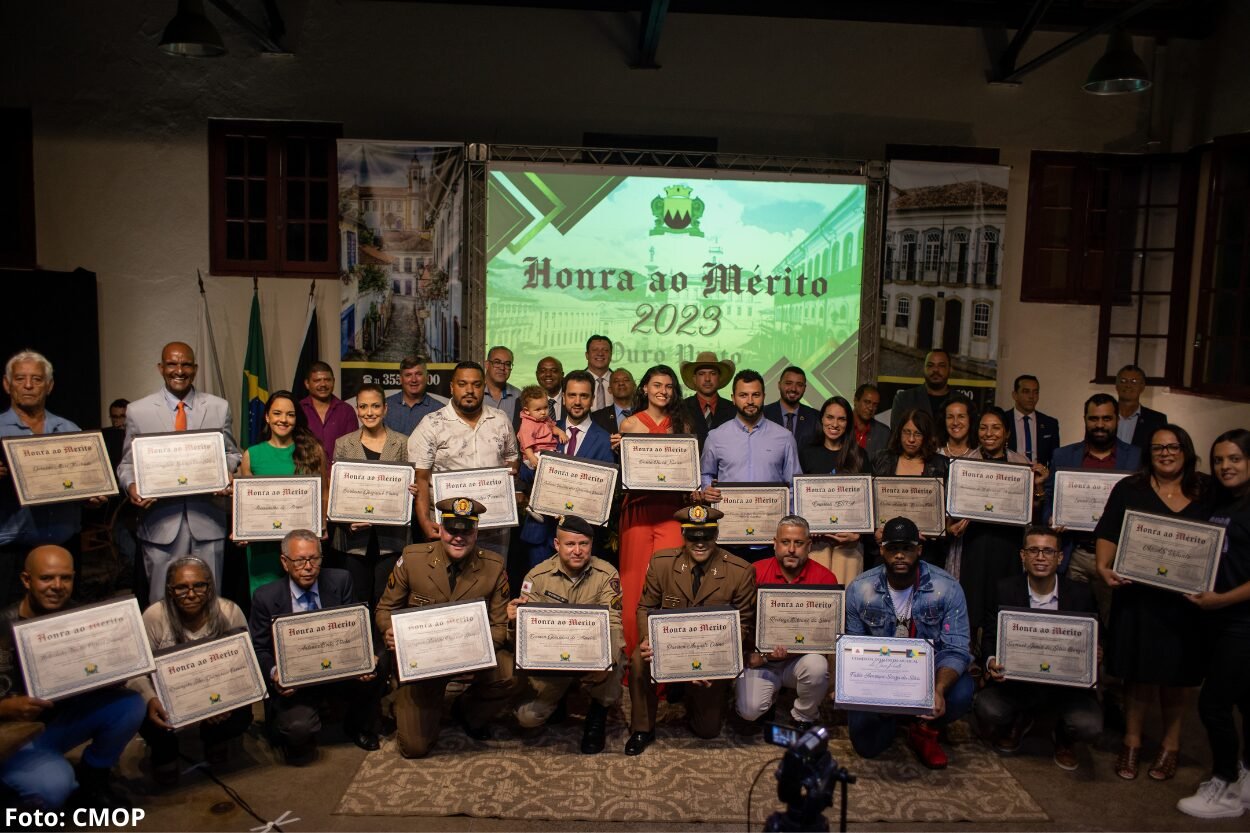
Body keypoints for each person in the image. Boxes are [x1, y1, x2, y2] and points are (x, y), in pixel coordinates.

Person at [1096, 424, 1211, 782]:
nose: (1166, 453)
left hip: (1187, 603)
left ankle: (1171, 745)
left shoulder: (1206, 490)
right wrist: (1103, 567)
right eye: (1159, 448)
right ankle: (1131, 742)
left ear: (1186, 450)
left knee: (1178, 676)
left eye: (1173, 446)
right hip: (1139, 599)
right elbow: (1108, 531)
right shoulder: (1130, 488)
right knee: (1139, 673)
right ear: (1149, 454)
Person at [0, 546, 144, 808]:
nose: (57, 586)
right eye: (46, 578)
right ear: (26, 580)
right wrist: (5, 707)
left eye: (65, 578)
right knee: (55, 788)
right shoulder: (2, 625)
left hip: (57, 723)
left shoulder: (78, 616)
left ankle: (94, 777)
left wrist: (114, 672)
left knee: (130, 704)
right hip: (12, 735)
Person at [376, 498, 515, 758]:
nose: (458, 538)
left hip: (470, 658)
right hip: (422, 666)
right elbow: (385, 610)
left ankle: (466, 709)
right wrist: (389, 630)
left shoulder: (494, 567)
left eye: (466, 531)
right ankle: (404, 696)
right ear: (441, 528)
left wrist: (470, 659)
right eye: (452, 530)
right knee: (414, 748)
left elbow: (499, 628)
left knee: (509, 672)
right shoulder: (413, 559)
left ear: (476, 532)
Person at [844, 517, 974, 769]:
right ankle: (895, 715)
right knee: (866, 747)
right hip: (880, 675)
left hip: (927, 674)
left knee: (961, 692)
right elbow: (853, 648)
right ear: (882, 549)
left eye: (907, 548)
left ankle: (923, 727)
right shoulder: (860, 590)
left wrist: (937, 690)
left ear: (919, 549)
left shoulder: (946, 588)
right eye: (893, 549)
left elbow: (956, 648)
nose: (900, 556)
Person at [117, 341, 242, 602]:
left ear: (195, 368)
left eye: (186, 364)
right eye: (172, 364)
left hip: (207, 521)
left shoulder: (219, 407)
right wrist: (131, 486)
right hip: (160, 524)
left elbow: (231, 452)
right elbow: (127, 464)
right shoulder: (138, 411)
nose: (179, 370)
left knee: (210, 599)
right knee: (162, 603)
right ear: (161, 368)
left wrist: (225, 472)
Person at [626, 505, 756, 755]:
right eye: (693, 537)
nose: (700, 543)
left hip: (710, 657)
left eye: (706, 536)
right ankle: (642, 728)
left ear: (716, 536)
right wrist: (646, 639)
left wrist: (713, 665)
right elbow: (646, 606)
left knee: (707, 730)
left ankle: (688, 691)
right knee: (638, 659)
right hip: (669, 649)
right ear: (683, 535)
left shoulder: (740, 572)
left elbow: (742, 626)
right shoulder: (662, 563)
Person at [248, 530, 381, 764]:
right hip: (295, 684)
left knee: (380, 660)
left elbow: (355, 630)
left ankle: (358, 724)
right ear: (284, 562)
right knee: (298, 731)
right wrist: (274, 673)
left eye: (314, 559)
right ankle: (304, 725)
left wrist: (365, 657)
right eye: (299, 560)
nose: (308, 566)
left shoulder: (340, 581)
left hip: (338, 672)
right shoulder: (265, 597)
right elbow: (259, 650)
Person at [976, 526, 1102, 770]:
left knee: (1089, 725)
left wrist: (1097, 650)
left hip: (1067, 688)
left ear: (1060, 557)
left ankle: (1064, 737)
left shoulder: (1081, 594)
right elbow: (990, 634)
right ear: (1023, 556)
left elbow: (1099, 634)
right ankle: (1019, 720)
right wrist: (991, 660)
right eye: (1033, 550)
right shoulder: (1005, 590)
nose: (1041, 557)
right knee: (987, 707)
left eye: (1048, 551)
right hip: (1017, 684)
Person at [1177, 429, 1250, 818]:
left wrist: (1221, 599)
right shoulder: (1223, 502)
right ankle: (1246, 778)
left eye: (1235, 459)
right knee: (1245, 700)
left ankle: (1224, 785)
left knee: (1214, 704)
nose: (1226, 466)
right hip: (1219, 619)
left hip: (1242, 621)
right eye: (1219, 460)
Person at [131, 556, 251, 786]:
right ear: (170, 589)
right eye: (181, 587)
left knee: (241, 712)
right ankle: (165, 751)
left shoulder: (229, 611)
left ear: (209, 586)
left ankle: (215, 738)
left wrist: (228, 698)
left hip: (216, 691)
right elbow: (136, 671)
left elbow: (244, 663)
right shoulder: (154, 617)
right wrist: (150, 698)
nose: (191, 593)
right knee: (139, 706)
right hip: (169, 698)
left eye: (199, 585)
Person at [509, 515, 624, 754]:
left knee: (616, 652)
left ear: (591, 545)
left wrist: (607, 662)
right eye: (570, 544)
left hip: (591, 656)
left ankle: (598, 711)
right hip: (552, 662)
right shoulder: (536, 577)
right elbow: (528, 636)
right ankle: (560, 696)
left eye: (583, 544)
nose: (577, 551)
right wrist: (515, 621)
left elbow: (613, 623)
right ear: (556, 545)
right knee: (527, 718)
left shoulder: (606, 574)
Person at [0, 351, 105, 602]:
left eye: (36, 379)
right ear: (7, 384)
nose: (28, 385)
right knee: (8, 627)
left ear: (49, 386)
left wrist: (91, 497)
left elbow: (86, 483)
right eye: (20, 378)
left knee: (62, 625)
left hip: (64, 545)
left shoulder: (70, 430)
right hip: (11, 550)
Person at [614, 365, 692, 658]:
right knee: (633, 582)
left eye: (669, 387)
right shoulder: (630, 425)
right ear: (644, 388)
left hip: (671, 510)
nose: (663, 391)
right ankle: (635, 656)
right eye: (657, 385)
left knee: (671, 580)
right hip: (638, 508)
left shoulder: (681, 426)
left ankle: (669, 656)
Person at [953, 406, 1048, 643]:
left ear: (1006, 433)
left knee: (1004, 602)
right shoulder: (964, 463)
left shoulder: (1021, 463)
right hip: (974, 544)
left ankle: (998, 656)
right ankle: (972, 660)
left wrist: (1037, 488)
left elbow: (1032, 514)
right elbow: (952, 510)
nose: (989, 433)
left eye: (996, 428)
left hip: (1008, 545)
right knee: (971, 604)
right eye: (984, 428)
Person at [1044, 393, 1141, 622]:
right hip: (1074, 551)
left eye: (1106, 419)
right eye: (1093, 419)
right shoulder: (1064, 455)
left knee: (1112, 621)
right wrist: (1050, 517)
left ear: (1117, 420)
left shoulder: (1136, 457)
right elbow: (1049, 496)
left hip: (1114, 557)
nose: (1100, 425)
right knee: (1071, 620)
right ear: (1085, 419)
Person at [735, 516, 837, 732]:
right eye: (785, 542)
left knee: (817, 667)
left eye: (798, 543)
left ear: (808, 546)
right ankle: (768, 702)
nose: (791, 549)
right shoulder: (754, 571)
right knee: (749, 711)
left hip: (799, 661)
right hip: (760, 659)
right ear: (774, 543)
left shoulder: (825, 578)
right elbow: (740, 621)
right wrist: (756, 656)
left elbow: (824, 637)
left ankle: (803, 716)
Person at [408, 361, 520, 558]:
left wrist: (509, 474)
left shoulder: (501, 420)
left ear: (483, 387)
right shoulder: (431, 424)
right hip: (450, 528)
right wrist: (425, 522)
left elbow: (511, 458)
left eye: (477, 384)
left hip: (495, 526)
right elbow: (421, 478)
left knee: (492, 581)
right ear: (452, 387)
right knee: (450, 584)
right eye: (462, 384)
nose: (470, 390)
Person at [237, 390, 329, 597]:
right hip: (263, 548)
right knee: (267, 603)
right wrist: (241, 529)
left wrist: (322, 523)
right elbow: (246, 504)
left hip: (303, 549)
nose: (283, 420)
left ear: (296, 419)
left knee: (304, 605)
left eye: (290, 414)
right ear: (267, 417)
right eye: (277, 413)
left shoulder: (313, 452)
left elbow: (323, 493)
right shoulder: (252, 455)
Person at [696, 371, 801, 552]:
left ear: (764, 397)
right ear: (733, 399)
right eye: (743, 395)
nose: (750, 401)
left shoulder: (784, 437)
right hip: (729, 538)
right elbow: (706, 474)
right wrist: (707, 489)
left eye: (756, 395)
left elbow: (794, 485)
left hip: (771, 539)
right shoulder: (716, 436)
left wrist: (788, 524)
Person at [517, 371, 614, 568]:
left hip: (580, 540)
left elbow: (603, 494)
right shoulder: (543, 429)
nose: (577, 401)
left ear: (593, 399)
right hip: (541, 534)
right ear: (563, 398)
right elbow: (525, 475)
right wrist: (536, 466)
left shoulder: (605, 439)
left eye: (584, 396)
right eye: (572, 395)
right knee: (538, 596)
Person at [333, 383, 414, 607]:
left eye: (376, 406)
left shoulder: (403, 443)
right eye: (364, 406)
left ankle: (384, 642)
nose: (369, 412)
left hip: (392, 537)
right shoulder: (343, 444)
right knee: (357, 598)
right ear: (357, 410)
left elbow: (411, 484)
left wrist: (412, 490)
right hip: (354, 538)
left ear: (385, 409)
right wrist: (348, 521)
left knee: (387, 598)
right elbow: (338, 491)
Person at [798, 396, 867, 583]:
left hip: (849, 542)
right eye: (829, 417)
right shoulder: (807, 452)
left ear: (848, 423)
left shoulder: (859, 456)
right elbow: (798, 497)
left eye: (841, 419)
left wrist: (858, 533)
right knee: (817, 598)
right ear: (821, 419)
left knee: (846, 596)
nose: (834, 424)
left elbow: (866, 502)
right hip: (816, 541)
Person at [873, 409, 950, 569]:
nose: (911, 439)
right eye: (906, 432)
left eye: (918, 434)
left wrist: (937, 529)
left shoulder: (940, 464)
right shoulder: (882, 460)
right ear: (898, 433)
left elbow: (946, 511)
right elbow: (870, 505)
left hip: (927, 551)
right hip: (888, 549)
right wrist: (875, 530)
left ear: (926, 436)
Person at [298, 361, 359, 460]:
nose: (323, 384)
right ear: (307, 384)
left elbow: (353, 449)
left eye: (327, 380)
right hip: (305, 473)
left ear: (333, 381)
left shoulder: (347, 411)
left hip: (338, 473)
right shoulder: (298, 410)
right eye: (317, 380)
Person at [680, 351, 735, 447]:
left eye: (713, 373)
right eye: (701, 374)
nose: (707, 379)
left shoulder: (733, 409)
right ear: (694, 379)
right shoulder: (681, 408)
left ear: (719, 377)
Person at [383, 356, 446, 436]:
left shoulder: (440, 410)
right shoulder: (385, 406)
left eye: (418, 374)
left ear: (427, 377)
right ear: (400, 379)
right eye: (408, 375)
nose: (414, 380)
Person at [1114, 364, 1168, 457]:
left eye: (1134, 381)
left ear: (1142, 386)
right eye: (1123, 381)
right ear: (1116, 386)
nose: (1128, 385)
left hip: (1140, 471)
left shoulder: (1156, 420)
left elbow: (1161, 454)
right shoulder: (1103, 416)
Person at [1006, 375, 1060, 467]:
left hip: (1040, 478)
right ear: (1014, 395)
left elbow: (1054, 459)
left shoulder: (1050, 424)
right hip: (1009, 476)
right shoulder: (1003, 420)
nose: (1031, 396)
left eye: (1035, 392)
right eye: (1026, 392)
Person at [763, 366, 820, 447]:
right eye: (788, 383)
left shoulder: (815, 417)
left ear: (804, 388)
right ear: (779, 385)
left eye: (799, 385)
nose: (793, 389)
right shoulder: (763, 414)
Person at [516, 385, 570, 470]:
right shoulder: (527, 425)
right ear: (527, 411)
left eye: (545, 407)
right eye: (538, 409)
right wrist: (531, 457)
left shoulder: (545, 419)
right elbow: (527, 445)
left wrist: (561, 432)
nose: (543, 412)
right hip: (535, 454)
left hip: (548, 451)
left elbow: (552, 427)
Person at [890, 348, 952, 419]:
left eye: (941, 365)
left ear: (950, 369)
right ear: (924, 369)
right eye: (930, 365)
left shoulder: (963, 401)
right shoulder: (904, 399)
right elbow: (897, 429)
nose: (935, 370)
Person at [591, 367, 636, 437]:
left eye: (626, 380)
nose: (621, 383)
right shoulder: (597, 418)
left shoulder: (645, 414)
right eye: (616, 381)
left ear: (634, 386)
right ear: (610, 390)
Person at [851, 383, 889, 461]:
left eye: (875, 404)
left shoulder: (884, 433)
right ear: (855, 401)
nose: (871, 408)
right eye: (867, 402)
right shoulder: (841, 426)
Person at [484, 345, 521, 421]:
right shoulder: (474, 392)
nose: (502, 368)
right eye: (497, 362)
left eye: (507, 364)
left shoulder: (518, 395)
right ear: (487, 365)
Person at [938, 393, 978, 459]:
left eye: (961, 416)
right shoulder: (935, 452)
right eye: (950, 417)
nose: (955, 422)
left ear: (970, 419)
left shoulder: (979, 453)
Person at [583, 334, 614, 411]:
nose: (600, 353)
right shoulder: (574, 381)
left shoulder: (620, 383)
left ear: (611, 355)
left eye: (605, 350)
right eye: (595, 350)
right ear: (587, 355)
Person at [535, 356, 565, 421]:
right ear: (537, 375)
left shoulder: (573, 397)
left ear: (562, 375)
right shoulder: (523, 401)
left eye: (554, 371)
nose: (548, 374)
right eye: (543, 371)